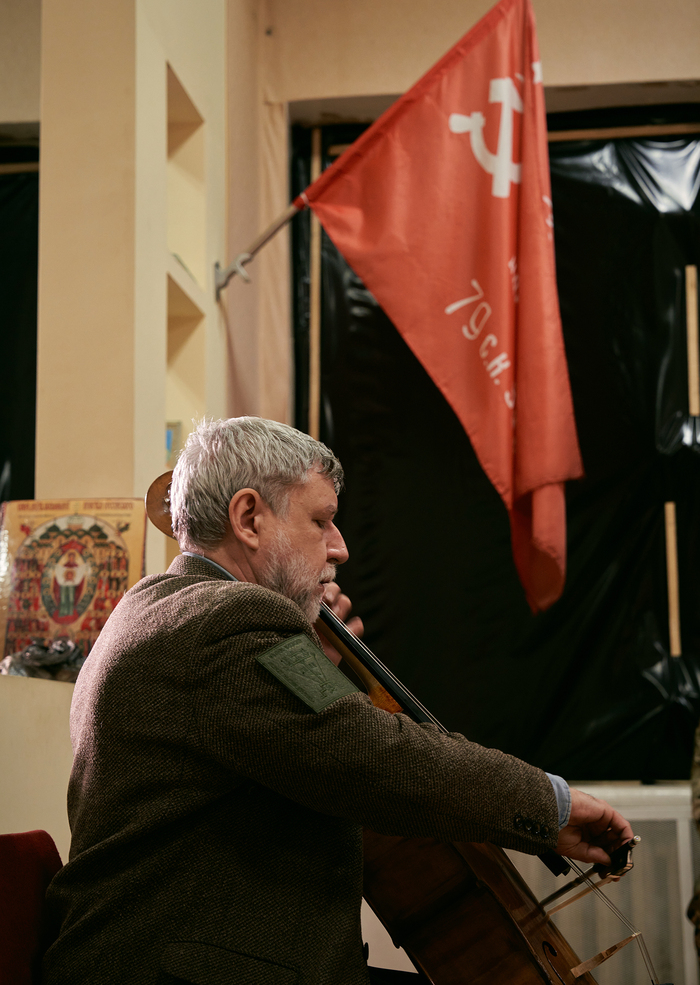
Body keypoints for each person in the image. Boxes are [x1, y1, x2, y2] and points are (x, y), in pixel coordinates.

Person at [42, 417, 633, 985]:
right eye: (321, 521)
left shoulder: (153, 606)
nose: (340, 548)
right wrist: (551, 805)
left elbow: (284, 741)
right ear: (248, 518)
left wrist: (311, 660)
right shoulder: (230, 620)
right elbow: (379, 758)